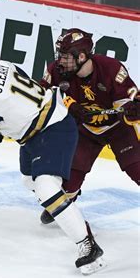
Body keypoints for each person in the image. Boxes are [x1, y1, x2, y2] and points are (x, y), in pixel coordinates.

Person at [0, 46, 105, 274]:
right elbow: (18, 98)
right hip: (35, 133)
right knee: (29, 181)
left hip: (54, 129)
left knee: (45, 187)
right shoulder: (3, 65)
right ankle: (65, 204)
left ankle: (87, 245)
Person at [38, 28, 139, 224]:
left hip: (118, 129)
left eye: (65, 57)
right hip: (85, 130)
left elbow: (131, 101)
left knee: (138, 170)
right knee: (68, 183)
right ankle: (66, 204)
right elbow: (42, 97)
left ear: (82, 56)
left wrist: (133, 109)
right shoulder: (56, 71)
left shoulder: (111, 69)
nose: (60, 61)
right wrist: (69, 105)